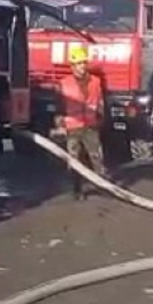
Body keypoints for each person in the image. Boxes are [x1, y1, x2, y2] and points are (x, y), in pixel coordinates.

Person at [53, 44, 107, 200]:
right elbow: (58, 107)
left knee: (96, 158)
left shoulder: (95, 82)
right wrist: (60, 125)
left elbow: (100, 103)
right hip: (73, 128)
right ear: (72, 66)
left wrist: (101, 119)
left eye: (83, 63)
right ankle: (77, 190)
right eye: (78, 64)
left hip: (90, 125)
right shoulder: (63, 84)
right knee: (74, 161)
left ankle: (103, 187)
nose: (81, 67)